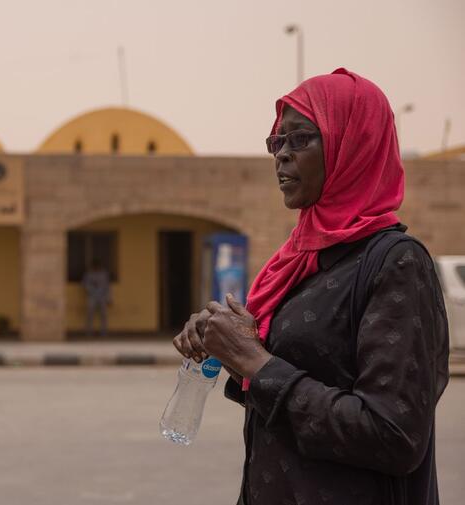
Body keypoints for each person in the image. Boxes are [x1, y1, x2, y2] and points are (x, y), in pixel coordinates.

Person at [173, 68, 449, 505]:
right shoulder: (303, 260)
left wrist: (257, 362)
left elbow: (393, 435)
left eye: (300, 139)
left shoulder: (396, 262)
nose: (281, 156)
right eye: (276, 142)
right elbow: (297, 397)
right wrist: (233, 348)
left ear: (352, 146)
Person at [82, 259, 111, 336]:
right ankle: (89, 331)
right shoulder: (89, 274)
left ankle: (103, 331)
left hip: (102, 297)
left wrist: (109, 298)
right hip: (92, 296)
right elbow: (85, 284)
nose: (97, 267)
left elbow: (107, 286)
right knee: (90, 314)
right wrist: (92, 289)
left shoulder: (104, 274)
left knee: (103, 314)